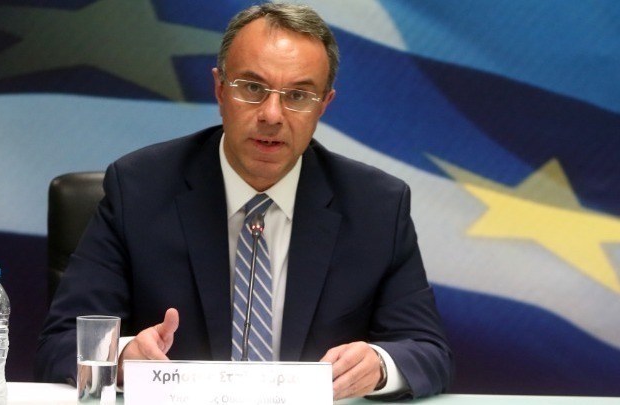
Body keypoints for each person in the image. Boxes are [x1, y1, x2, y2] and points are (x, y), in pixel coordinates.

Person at [35, 3, 453, 400]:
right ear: (220, 88)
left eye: (298, 95)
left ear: (323, 105)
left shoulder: (376, 206)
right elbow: (61, 342)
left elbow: (428, 351)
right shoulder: (139, 189)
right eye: (253, 88)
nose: (272, 114)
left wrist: (378, 365)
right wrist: (124, 358)